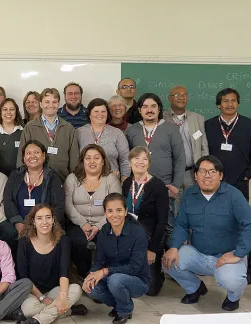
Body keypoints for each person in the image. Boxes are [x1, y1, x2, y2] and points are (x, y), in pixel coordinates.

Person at [163, 155, 251, 311]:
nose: (207, 176)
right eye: (202, 171)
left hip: (226, 255)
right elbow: (181, 224)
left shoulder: (233, 195)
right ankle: (195, 288)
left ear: (221, 175)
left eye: (212, 171)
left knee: (233, 280)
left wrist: (238, 254)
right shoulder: (189, 194)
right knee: (168, 261)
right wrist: (174, 247)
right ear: (195, 175)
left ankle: (233, 298)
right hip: (199, 254)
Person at [205, 88, 251, 284]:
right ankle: (216, 265)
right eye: (225, 101)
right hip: (213, 187)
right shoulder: (209, 125)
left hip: (239, 186)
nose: (229, 104)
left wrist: (245, 177)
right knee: (215, 225)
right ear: (218, 104)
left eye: (233, 101)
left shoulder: (248, 125)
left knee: (241, 226)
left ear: (238, 103)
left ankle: (246, 269)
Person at [125, 93, 185, 248]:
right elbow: (128, 158)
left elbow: (180, 159)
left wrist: (175, 185)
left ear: (159, 109)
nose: (149, 110)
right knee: (143, 225)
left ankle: (169, 266)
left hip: (166, 187)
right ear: (139, 110)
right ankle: (152, 263)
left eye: (153, 106)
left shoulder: (171, 129)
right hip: (141, 188)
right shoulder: (132, 131)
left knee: (168, 226)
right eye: (145, 106)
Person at [83, 193, 151, 324]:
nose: (114, 215)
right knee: (92, 287)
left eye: (119, 210)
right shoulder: (104, 231)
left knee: (116, 280)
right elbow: (99, 260)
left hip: (138, 280)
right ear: (105, 213)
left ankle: (125, 310)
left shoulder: (138, 233)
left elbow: (134, 268)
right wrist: (90, 276)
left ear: (126, 211)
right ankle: (119, 305)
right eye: (110, 211)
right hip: (112, 276)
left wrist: (105, 271)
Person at [17, 204, 86, 324]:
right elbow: (24, 278)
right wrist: (42, 298)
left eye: (48, 217)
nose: (45, 222)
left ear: (53, 220)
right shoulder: (24, 242)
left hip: (55, 290)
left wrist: (63, 298)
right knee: (28, 310)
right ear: (33, 221)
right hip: (32, 292)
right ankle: (68, 311)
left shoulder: (63, 240)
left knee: (76, 289)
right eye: (39, 218)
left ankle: (36, 321)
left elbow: (64, 272)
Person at [64, 144, 122, 278]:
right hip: (77, 224)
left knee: (104, 241)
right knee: (77, 241)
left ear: (103, 161)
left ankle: (100, 275)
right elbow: (68, 205)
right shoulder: (72, 179)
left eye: (96, 158)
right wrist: (83, 223)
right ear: (82, 161)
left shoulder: (111, 179)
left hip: (105, 223)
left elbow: (115, 208)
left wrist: (98, 226)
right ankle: (84, 274)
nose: (92, 161)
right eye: (88, 158)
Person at [121, 146, 169, 296]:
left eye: (144, 159)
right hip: (128, 237)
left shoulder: (158, 186)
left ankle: (158, 273)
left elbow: (162, 221)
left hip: (149, 240)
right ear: (129, 163)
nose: (140, 162)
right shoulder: (127, 183)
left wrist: (153, 249)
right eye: (136, 158)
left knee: (150, 290)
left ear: (149, 163)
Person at [4, 140, 65, 236]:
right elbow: (8, 200)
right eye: (28, 153)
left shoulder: (52, 177)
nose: (32, 156)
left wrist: (44, 225)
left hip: (45, 226)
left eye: (36, 152)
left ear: (44, 156)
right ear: (24, 158)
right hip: (19, 224)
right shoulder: (15, 175)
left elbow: (59, 206)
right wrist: (18, 223)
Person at [18, 88, 79, 183]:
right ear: (41, 104)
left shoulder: (68, 128)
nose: (51, 105)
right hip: (36, 183)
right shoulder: (30, 127)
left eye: (54, 102)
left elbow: (74, 160)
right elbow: (21, 157)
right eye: (47, 102)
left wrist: (73, 181)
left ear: (58, 104)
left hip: (62, 181)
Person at [77, 98, 130, 182]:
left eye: (103, 111)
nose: (100, 114)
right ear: (89, 114)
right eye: (96, 111)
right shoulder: (79, 133)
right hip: (85, 181)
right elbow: (74, 159)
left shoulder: (117, 133)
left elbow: (125, 159)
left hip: (112, 181)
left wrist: (124, 181)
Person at [166, 86, 209, 190]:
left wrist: (204, 168)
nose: (182, 97)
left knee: (193, 202)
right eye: (177, 95)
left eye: (184, 95)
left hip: (191, 172)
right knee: (173, 204)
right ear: (170, 98)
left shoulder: (198, 118)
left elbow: (204, 146)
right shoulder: (162, 118)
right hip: (170, 173)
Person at [0, 98, 23, 176]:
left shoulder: (24, 131)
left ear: (16, 111)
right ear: (0, 112)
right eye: (5, 109)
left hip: (20, 176)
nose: (8, 112)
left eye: (12, 109)